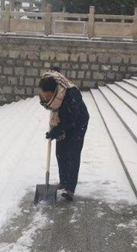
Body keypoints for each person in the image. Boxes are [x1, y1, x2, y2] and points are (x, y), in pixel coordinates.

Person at [38, 67, 89, 201]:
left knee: (72, 152)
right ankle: (63, 180)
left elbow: (71, 120)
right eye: (43, 95)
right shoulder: (53, 88)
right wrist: (55, 131)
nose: (45, 98)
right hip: (63, 119)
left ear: (55, 91)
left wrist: (55, 131)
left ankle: (70, 188)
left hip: (78, 121)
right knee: (60, 151)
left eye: (47, 96)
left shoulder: (71, 95)